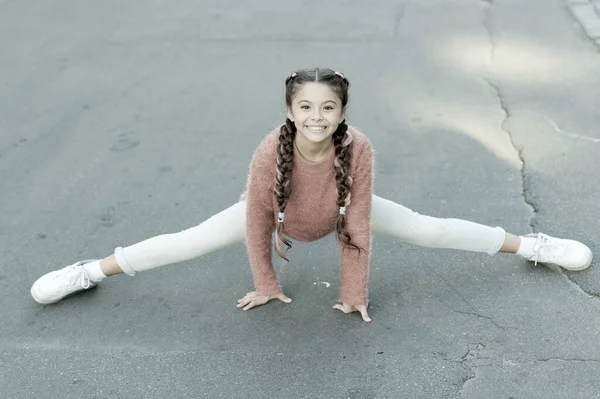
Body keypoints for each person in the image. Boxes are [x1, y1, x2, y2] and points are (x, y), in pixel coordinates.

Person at [30, 68, 593, 323]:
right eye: (306, 107)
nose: (316, 116)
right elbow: (255, 222)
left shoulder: (359, 149)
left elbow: (358, 225)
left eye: (328, 107)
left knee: (427, 227)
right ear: (289, 111)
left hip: (342, 212)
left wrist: (353, 292)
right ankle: (90, 270)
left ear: (342, 112)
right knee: (189, 241)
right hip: (278, 217)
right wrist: (266, 283)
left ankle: (531, 245)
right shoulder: (268, 150)